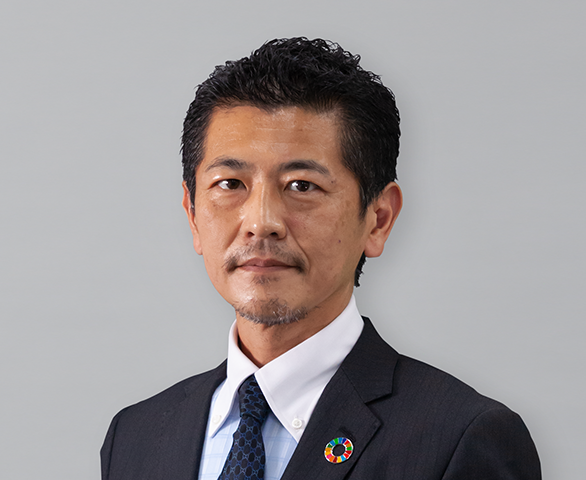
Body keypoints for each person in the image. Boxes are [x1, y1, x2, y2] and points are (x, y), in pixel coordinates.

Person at [101, 37, 541, 480]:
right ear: (193, 215)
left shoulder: (459, 439)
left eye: (302, 186)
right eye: (230, 184)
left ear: (378, 219)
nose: (261, 222)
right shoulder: (136, 437)